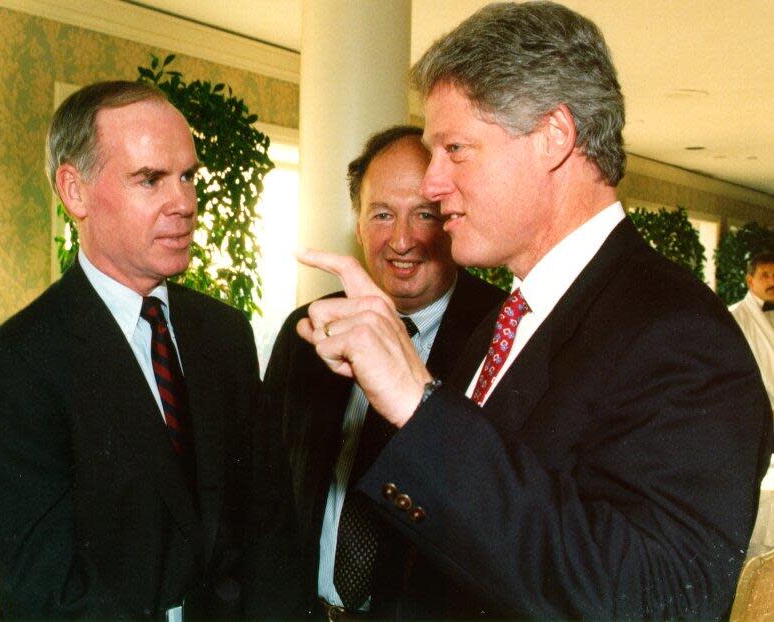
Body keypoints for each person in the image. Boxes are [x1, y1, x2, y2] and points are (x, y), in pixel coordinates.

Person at [294, 2, 773, 619]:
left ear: (554, 137)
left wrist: (421, 407)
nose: (433, 183)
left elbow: (656, 600)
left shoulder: (681, 336)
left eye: (455, 149)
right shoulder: (510, 317)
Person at [0, 81, 298, 620]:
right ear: (74, 191)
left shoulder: (225, 334)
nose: (185, 203)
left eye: (188, 176)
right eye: (151, 180)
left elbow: (272, 536)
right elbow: (46, 597)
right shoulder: (16, 366)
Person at [264, 125, 503, 619]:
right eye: (381, 214)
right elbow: (270, 498)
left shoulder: (502, 334)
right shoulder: (309, 331)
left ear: (452, 217)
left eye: (424, 214)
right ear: (357, 224)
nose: (402, 239)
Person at [731, 252, 774, 410]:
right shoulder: (734, 317)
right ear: (750, 281)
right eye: (765, 275)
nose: (772, 281)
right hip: (759, 411)